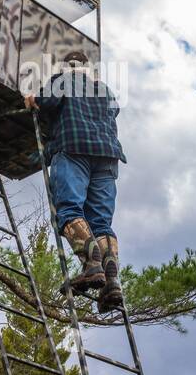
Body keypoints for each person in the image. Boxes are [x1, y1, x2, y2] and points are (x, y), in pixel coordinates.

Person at [23, 50, 125, 312]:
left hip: (73, 148)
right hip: (108, 156)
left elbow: (47, 101)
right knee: (101, 222)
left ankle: (92, 265)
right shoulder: (104, 90)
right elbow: (114, 112)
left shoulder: (62, 79)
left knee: (68, 210)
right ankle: (111, 281)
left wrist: (33, 98)